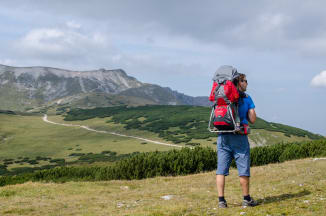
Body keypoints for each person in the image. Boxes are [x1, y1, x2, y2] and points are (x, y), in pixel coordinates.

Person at [216, 73, 258, 208]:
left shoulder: (222, 96)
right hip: (239, 137)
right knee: (243, 169)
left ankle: (221, 201)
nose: (246, 83)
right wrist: (249, 108)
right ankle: (246, 199)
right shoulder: (246, 97)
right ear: (239, 82)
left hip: (223, 136)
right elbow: (253, 119)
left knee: (221, 170)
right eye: (245, 81)